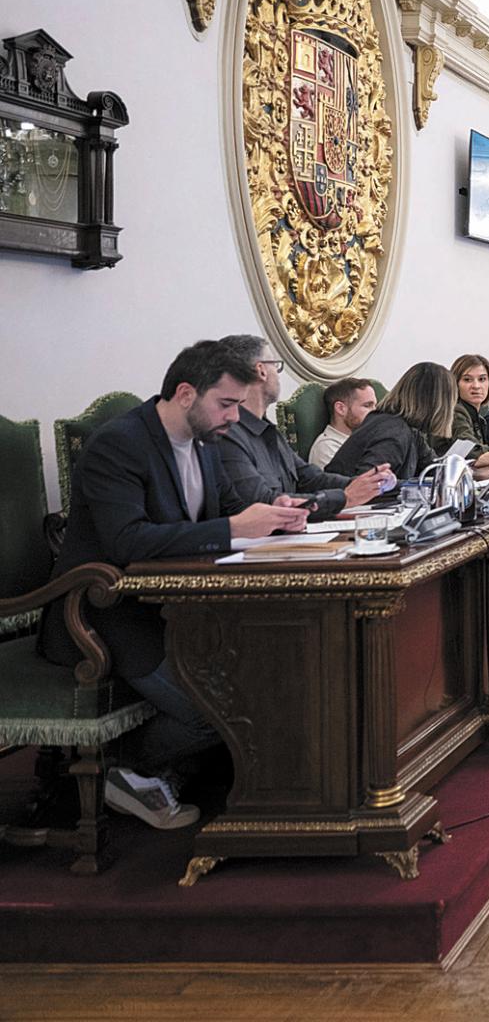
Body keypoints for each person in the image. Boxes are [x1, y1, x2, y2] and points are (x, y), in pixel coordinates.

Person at [39, 340, 310, 829]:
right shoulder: (118, 444)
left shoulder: (205, 446)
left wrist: (276, 516)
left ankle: (162, 774)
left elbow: (229, 511)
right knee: (225, 707)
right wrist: (234, 529)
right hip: (105, 615)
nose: (234, 416)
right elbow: (127, 542)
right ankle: (118, 769)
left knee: (265, 681)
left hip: (176, 605)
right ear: (185, 393)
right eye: (225, 404)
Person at [214, 335, 392, 520]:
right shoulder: (227, 434)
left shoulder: (270, 432)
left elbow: (311, 478)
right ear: (261, 371)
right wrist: (345, 498)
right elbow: (261, 502)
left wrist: (364, 484)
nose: (278, 373)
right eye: (276, 365)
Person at [327, 362, 456, 479]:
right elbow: (368, 484)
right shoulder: (394, 431)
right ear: (438, 403)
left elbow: (435, 468)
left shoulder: (407, 429)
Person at [307, 377, 376, 468]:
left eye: (375, 406)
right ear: (340, 409)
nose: (374, 412)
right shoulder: (326, 447)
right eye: (367, 406)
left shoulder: (367, 439)